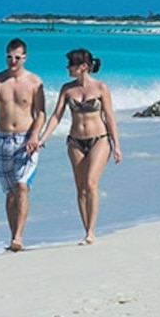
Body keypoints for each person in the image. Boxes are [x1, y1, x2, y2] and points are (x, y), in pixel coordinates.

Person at [0, 36, 49, 252]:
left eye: (17, 57)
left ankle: (18, 237)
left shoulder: (35, 82)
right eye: (9, 57)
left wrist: (35, 135)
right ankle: (12, 236)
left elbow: (41, 113)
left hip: (26, 139)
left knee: (22, 186)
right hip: (2, 139)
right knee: (10, 192)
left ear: (24, 57)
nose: (12, 61)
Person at [52, 47, 120, 245]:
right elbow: (56, 116)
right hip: (75, 141)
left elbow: (109, 116)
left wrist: (117, 145)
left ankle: (91, 231)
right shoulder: (67, 89)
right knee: (80, 188)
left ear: (83, 67)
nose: (67, 68)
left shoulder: (101, 88)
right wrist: (41, 138)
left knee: (90, 182)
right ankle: (86, 230)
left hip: (99, 138)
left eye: (71, 64)